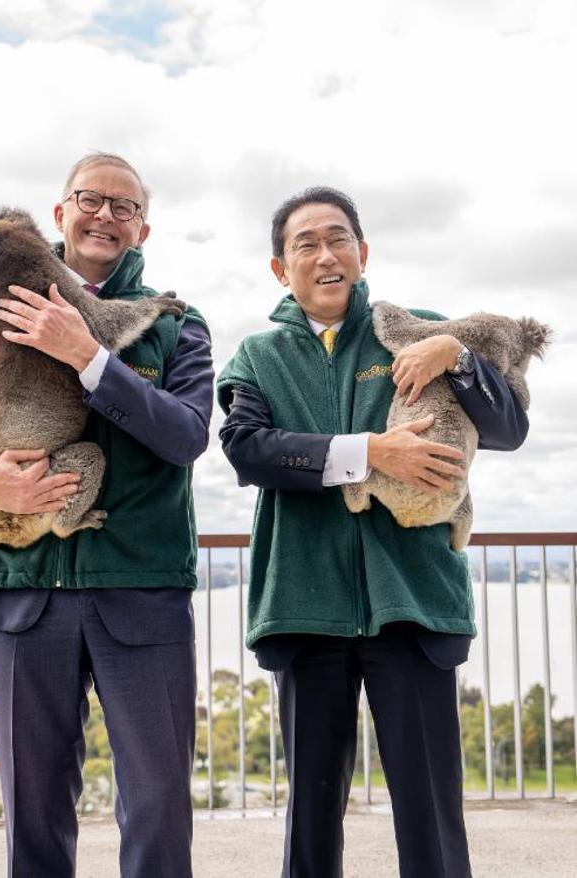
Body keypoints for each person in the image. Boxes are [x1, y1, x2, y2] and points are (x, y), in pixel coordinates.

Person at [0, 152, 213, 878]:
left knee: (159, 805)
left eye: (124, 207)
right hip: (22, 594)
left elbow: (185, 436)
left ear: (142, 230)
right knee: (33, 810)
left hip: (140, 591)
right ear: (59, 214)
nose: (105, 215)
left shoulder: (176, 323)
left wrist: (89, 358)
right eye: (90, 199)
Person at [217, 187, 528, 878]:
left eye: (338, 239)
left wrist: (459, 355)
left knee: (430, 819)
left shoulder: (419, 333)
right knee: (311, 822)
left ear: (362, 253)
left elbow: (508, 429)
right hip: (304, 607)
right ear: (279, 269)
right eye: (305, 244)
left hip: (411, 604)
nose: (325, 255)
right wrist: (368, 453)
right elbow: (247, 449)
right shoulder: (258, 357)